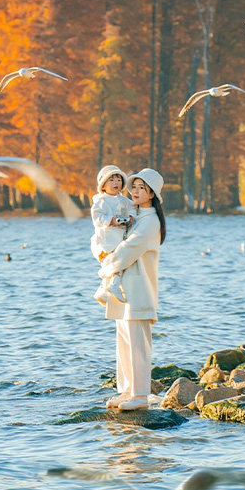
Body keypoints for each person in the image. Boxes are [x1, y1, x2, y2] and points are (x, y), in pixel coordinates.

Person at [97, 168, 166, 411]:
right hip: (125, 290)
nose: (135, 191)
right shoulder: (132, 215)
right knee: (124, 342)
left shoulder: (150, 221)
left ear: (152, 194)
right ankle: (126, 391)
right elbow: (104, 235)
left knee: (138, 345)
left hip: (140, 289)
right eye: (133, 187)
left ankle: (140, 395)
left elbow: (127, 251)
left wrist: (105, 266)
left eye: (141, 188)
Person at [90, 165, 137, 305]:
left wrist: (131, 218)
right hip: (108, 239)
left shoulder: (124, 200)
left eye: (119, 179)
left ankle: (103, 290)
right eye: (111, 180)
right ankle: (113, 285)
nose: (116, 183)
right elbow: (97, 218)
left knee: (118, 262)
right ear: (103, 186)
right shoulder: (101, 201)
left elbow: (133, 208)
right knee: (117, 262)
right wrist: (111, 220)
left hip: (120, 237)